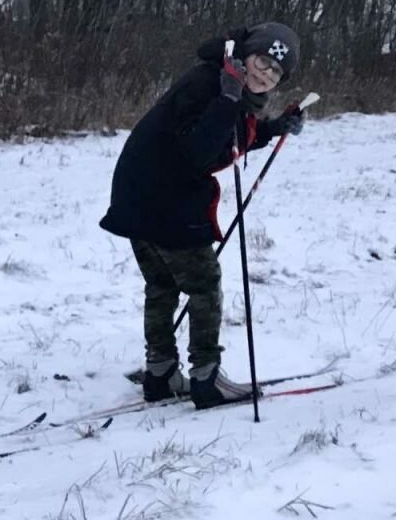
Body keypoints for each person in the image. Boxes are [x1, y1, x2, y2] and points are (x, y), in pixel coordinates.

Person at [99, 22, 307, 409]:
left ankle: (160, 374)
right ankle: (206, 379)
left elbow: (224, 141)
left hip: (141, 192)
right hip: (162, 196)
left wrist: (273, 128)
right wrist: (228, 102)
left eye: (276, 72)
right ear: (247, 53)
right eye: (263, 61)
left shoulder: (227, 83)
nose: (265, 74)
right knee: (204, 283)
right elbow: (198, 151)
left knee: (162, 284)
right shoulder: (210, 84)